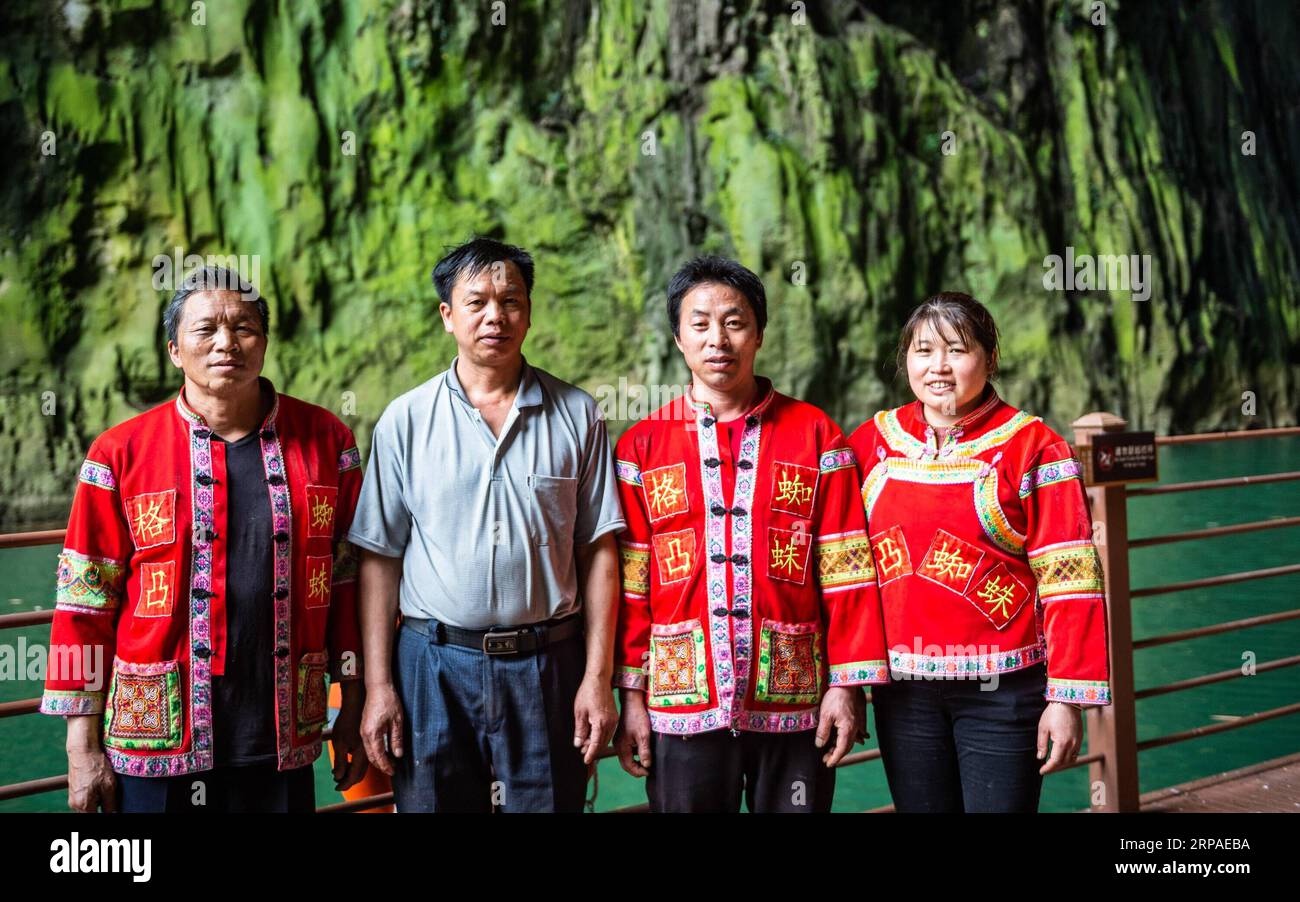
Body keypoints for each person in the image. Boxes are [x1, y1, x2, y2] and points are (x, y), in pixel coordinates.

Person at [41, 265, 368, 813]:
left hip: (283, 736)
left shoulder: (327, 442)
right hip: (152, 737)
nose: (226, 343)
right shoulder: (119, 453)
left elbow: (349, 584)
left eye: (243, 328)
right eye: (205, 329)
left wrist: (353, 699)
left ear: (263, 344)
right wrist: (82, 746)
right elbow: (84, 604)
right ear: (174, 349)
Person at [350, 237, 625, 813]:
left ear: (528, 312)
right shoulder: (406, 420)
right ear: (448, 316)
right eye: (476, 302)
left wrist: (597, 679)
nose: (495, 316)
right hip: (433, 664)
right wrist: (378, 687)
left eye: (511, 301)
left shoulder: (577, 415)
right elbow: (379, 558)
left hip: (550, 663)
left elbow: (598, 551)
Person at [611, 256, 889, 813]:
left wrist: (846, 686)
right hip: (679, 701)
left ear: (758, 333)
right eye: (701, 323)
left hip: (795, 698)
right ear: (678, 337)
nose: (718, 339)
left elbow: (847, 571)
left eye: (734, 322)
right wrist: (632, 698)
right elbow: (632, 585)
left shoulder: (817, 436)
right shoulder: (641, 448)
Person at [847, 291, 1111, 813]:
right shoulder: (870, 444)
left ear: (989, 358)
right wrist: (848, 680)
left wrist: (1066, 699)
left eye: (956, 350)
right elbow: (841, 570)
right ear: (906, 361)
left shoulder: (1034, 447)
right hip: (903, 691)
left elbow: (1071, 579)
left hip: (1004, 691)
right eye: (923, 351)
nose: (938, 367)